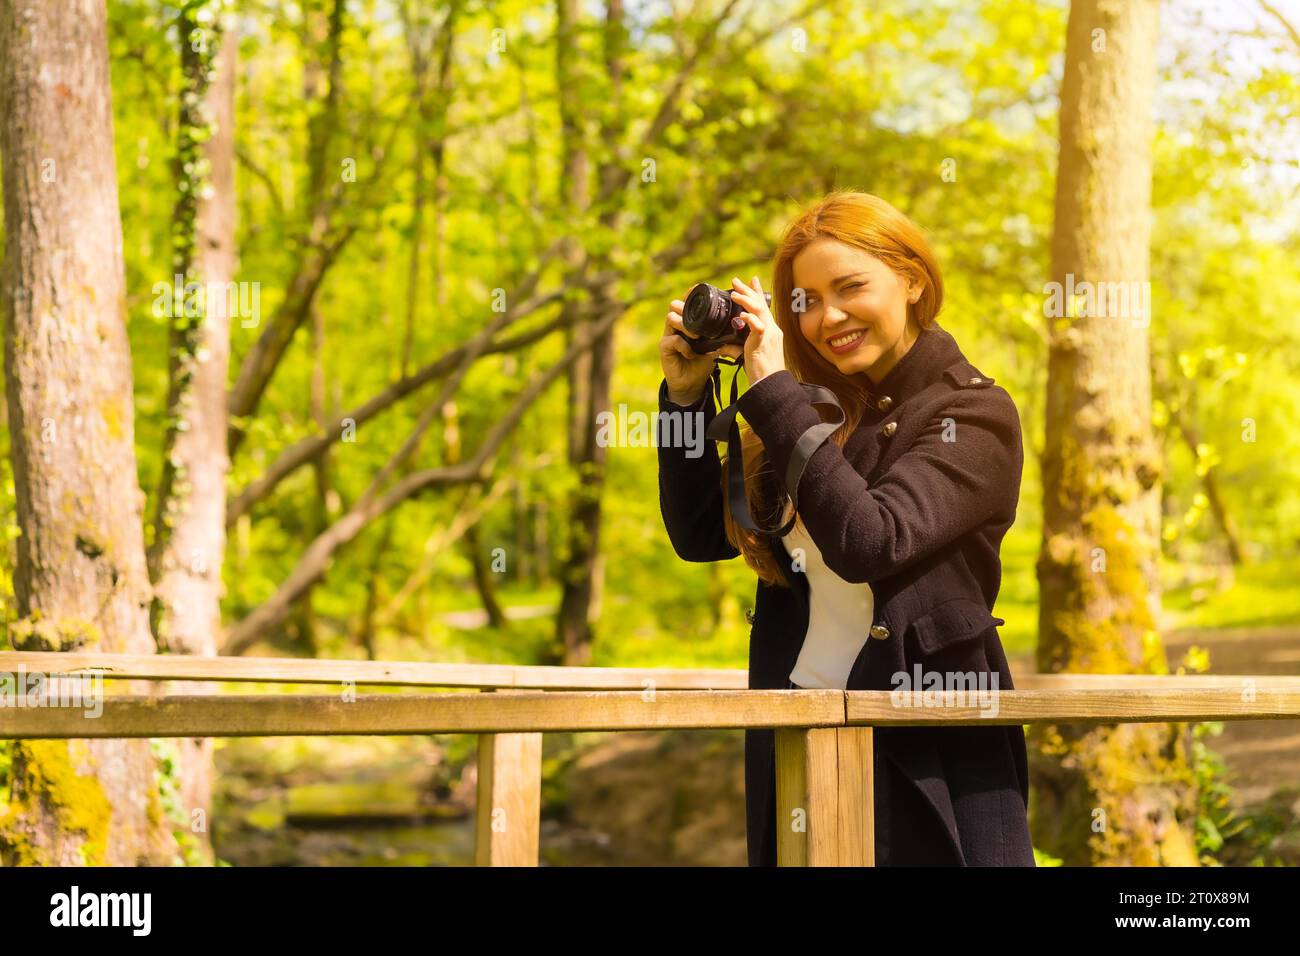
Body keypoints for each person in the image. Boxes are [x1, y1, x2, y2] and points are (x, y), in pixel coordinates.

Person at [657, 189, 1034, 866]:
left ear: (913, 280)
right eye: (803, 303)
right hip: (797, 738)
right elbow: (698, 535)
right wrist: (687, 400)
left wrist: (771, 391)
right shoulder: (810, 410)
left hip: (926, 758)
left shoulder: (974, 415)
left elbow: (871, 540)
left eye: (851, 287)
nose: (828, 317)